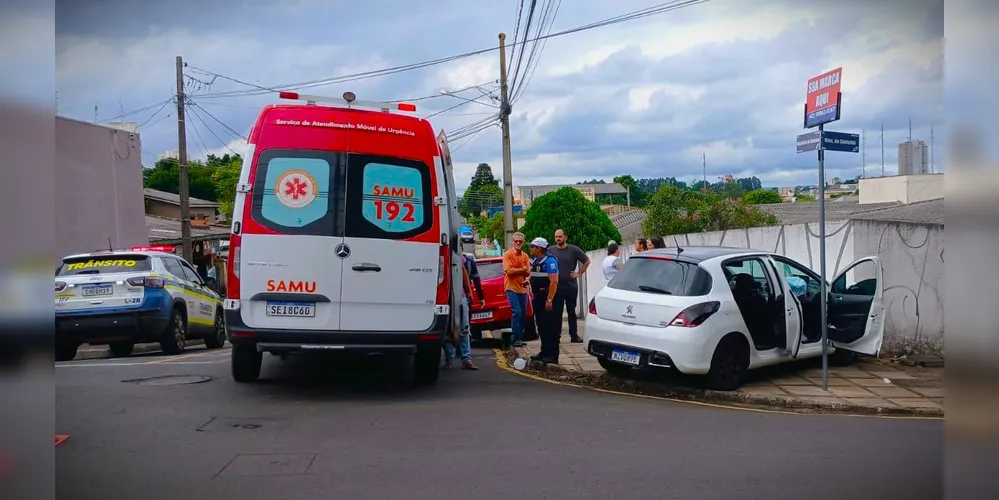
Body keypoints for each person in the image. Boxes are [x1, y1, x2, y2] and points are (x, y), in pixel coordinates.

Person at [548, 229, 590, 343]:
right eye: (556, 236)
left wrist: (579, 273)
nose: (558, 239)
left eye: (560, 236)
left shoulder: (574, 249)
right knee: (557, 312)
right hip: (557, 286)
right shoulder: (550, 250)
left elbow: (586, 261)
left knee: (572, 312)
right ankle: (556, 336)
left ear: (565, 237)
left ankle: (574, 335)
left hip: (570, 286)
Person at [443, 254, 480, 370]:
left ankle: (466, 359)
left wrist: (469, 291)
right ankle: (449, 359)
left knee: (464, 328)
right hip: (444, 297)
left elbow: (463, 271)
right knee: (446, 330)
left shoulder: (457, 255)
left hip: (460, 296)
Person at [527, 237, 560, 364]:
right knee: (541, 327)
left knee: (551, 327)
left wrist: (549, 300)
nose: (531, 249)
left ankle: (553, 355)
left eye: (533, 247)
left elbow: (554, 282)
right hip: (538, 299)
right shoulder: (536, 261)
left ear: (539, 249)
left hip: (548, 298)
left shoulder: (550, 261)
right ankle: (544, 351)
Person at [502, 232, 531, 348]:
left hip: (523, 289)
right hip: (511, 287)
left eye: (520, 241)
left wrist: (523, 272)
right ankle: (514, 339)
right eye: (516, 241)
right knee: (516, 312)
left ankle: (519, 338)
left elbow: (528, 272)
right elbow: (508, 271)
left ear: (523, 243)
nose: (518, 243)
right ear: (513, 242)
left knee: (523, 314)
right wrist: (522, 269)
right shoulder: (507, 254)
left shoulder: (525, 256)